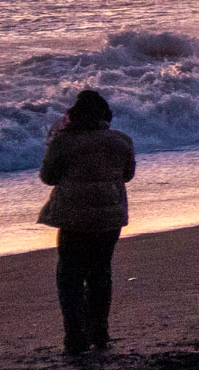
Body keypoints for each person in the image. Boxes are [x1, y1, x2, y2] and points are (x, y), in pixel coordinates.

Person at [37, 88, 135, 356]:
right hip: (109, 216)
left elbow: (48, 177)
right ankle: (100, 331)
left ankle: (75, 336)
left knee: (69, 277)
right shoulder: (121, 141)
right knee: (100, 272)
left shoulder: (63, 142)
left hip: (73, 218)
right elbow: (127, 175)